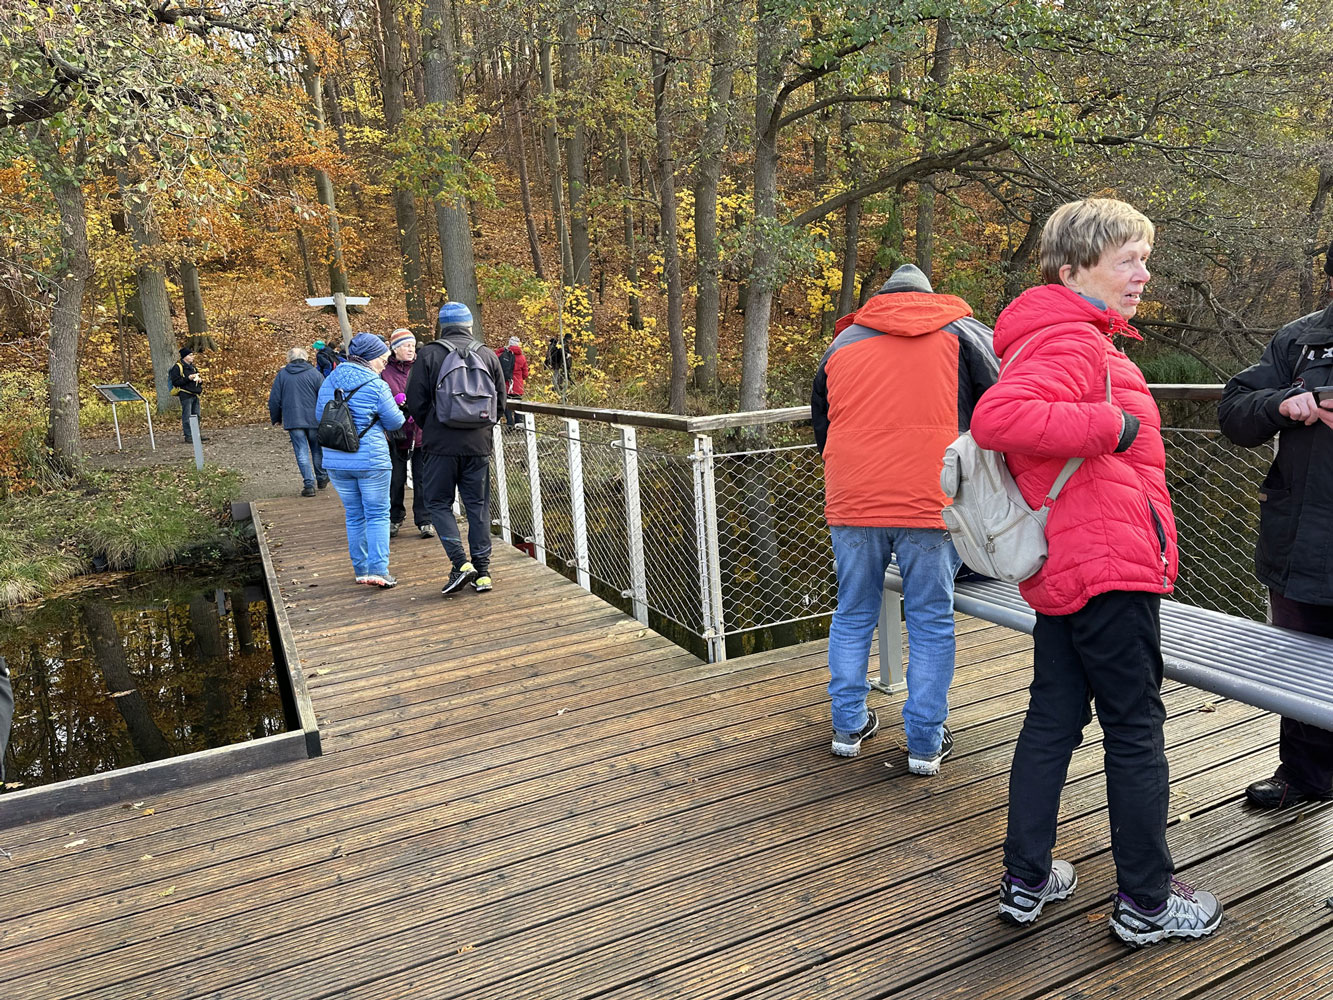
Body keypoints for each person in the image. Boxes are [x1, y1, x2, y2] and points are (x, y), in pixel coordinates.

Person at [970, 197, 1222, 946]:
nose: (1143, 273)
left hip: (1068, 562)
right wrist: (1112, 425)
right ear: (1075, 266)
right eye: (1128, 259)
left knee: (1051, 720)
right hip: (1106, 565)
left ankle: (1026, 878)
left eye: (1143, 257)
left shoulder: (1055, 335)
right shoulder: (1072, 343)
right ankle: (1145, 900)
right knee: (1134, 730)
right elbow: (996, 419)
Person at [811, 263, 997, 768]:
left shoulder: (842, 343)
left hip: (853, 500)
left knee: (852, 614)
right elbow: (998, 410)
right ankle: (925, 743)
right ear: (928, 297)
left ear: (882, 298)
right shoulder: (964, 333)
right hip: (931, 499)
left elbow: (823, 426)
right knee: (931, 621)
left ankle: (847, 728)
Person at [1218, 275, 1333, 811]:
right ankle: (1304, 774)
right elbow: (1234, 413)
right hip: (1300, 545)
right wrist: (1286, 403)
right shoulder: (1301, 340)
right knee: (1299, 666)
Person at [405, 301, 507, 596]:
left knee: (438, 503)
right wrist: (481, 426)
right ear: (468, 324)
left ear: (441, 325)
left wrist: (434, 425)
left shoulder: (428, 354)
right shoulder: (487, 354)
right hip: (478, 444)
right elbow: (500, 402)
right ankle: (483, 572)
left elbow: (415, 400)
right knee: (477, 506)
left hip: (440, 445)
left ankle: (460, 563)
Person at [315, 332, 405, 588]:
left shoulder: (329, 380)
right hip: (370, 460)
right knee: (377, 514)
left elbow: (318, 416)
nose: (386, 362)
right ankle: (378, 570)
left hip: (336, 460)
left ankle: (361, 570)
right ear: (370, 358)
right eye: (383, 358)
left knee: (354, 515)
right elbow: (395, 421)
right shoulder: (376, 385)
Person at [381, 328, 433, 538]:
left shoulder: (423, 367)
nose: (411, 349)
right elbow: (378, 400)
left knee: (423, 478)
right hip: (396, 434)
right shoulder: (384, 372)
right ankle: (395, 517)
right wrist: (393, 403)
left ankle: (425, 520)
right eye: (406, 345)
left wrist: (419, 408)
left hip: (420, 431)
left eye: (412, 345)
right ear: (395, 349)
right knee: (396, 478)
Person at [268, 346, 328, 497]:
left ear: (289, 359)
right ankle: (321, 477)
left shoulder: (282, 375)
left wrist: (276, 417)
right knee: (316, 449)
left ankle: (309, 485)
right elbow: (324, 396)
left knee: (301, 451)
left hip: (293, 419)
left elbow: (274, 399)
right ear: (306, 358)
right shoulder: (315, 373)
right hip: (314, 419)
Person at [170, 346, 205, 443]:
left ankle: (196, 434)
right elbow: (176, 382)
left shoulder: (193, 367)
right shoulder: (177, 367)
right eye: (190, 355)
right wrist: (188, 378)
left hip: (195, 394)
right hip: (185, 394)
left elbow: (198, 378)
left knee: (197, 415)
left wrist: (200, 381)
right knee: (187, 415)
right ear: (185, 356)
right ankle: (188, 435)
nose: (192, 357)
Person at [500, 335, 529, 429]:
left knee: (506, 404)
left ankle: (509, 423)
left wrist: (501, 350)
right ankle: (519, 425)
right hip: (517, 386)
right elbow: (525, 374)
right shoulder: (522, 358)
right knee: (518, 405)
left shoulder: (502, 355)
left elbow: (495, 359)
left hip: (506, 385)